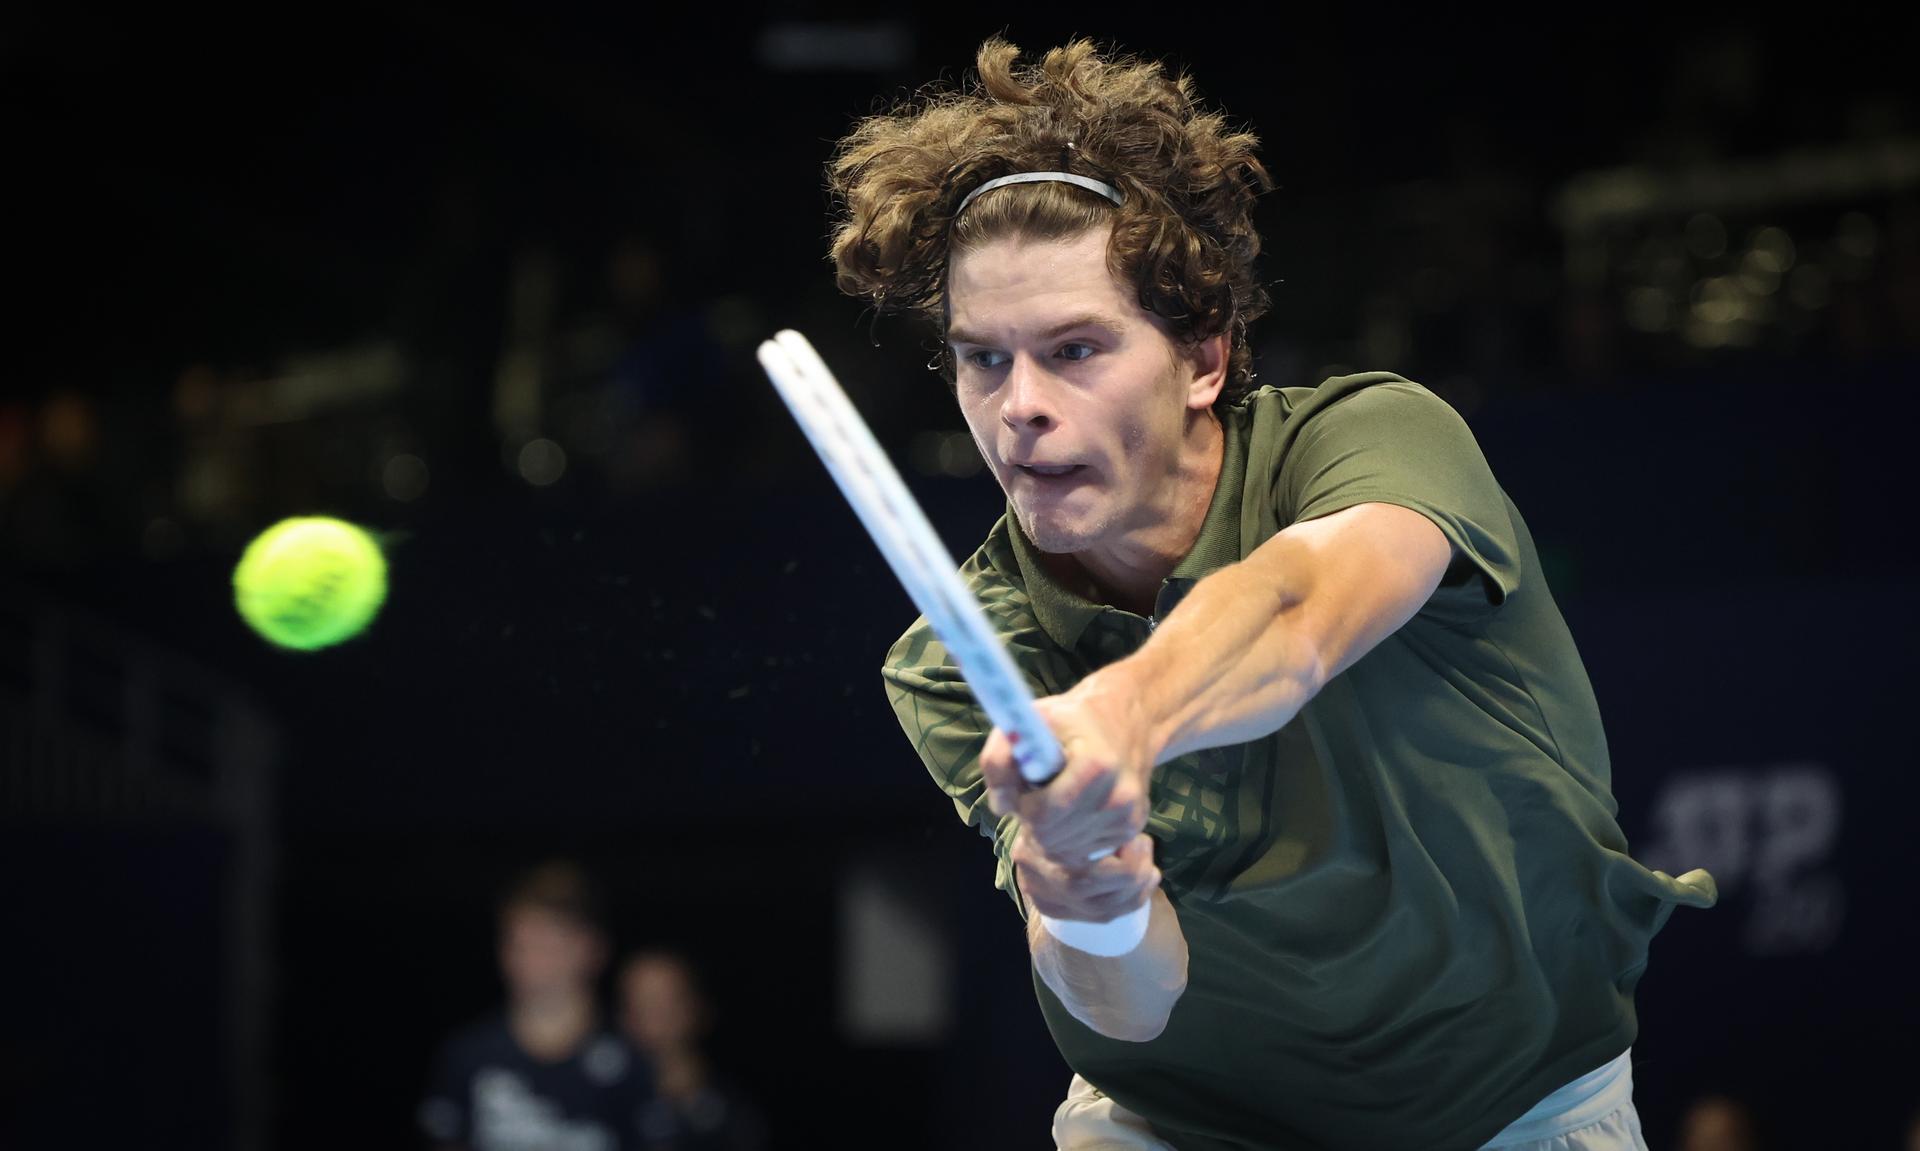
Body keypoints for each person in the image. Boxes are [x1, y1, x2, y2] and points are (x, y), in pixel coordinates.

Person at [832, 38, 1718, 1150]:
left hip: (1521, 1105)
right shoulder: (959, 655)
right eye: (984, 359)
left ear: (1204, 359)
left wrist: (1123, 716)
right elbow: (1130, 1003)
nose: (1021, 407)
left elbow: (1298, 610)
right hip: (1180, 1123)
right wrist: (1089, 896)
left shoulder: (1375, 436)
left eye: (1075, 349)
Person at [419, 861, 654, 1151]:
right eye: (519, 943)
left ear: (592, 948)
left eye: (547, 944)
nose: (530, 961)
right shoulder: (468, 1056)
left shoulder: (632, 1060)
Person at [617, 949, 768, 1151]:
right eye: (638, 1004)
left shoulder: (736, 1113)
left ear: (699, 1007)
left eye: (665, 1003)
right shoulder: (599, 1100)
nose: (651, 1018)